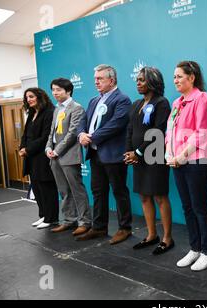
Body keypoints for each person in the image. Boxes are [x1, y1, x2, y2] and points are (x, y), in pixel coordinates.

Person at [166, 61, 207, 271]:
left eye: (179, 76)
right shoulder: (176, 102)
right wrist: (170, 152)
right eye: (174, 77)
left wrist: (181, 155)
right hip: (178, 161)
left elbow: (202, 132)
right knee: (187, 207)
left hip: (196, 161)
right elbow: (169, 130)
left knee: (199, 206)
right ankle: (195, 248)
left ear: (192, 77)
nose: (175, 80)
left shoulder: (202, 98)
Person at [76, 64, 133, 245]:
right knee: (98, 192)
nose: (96, 82)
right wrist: (81, 134)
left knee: (119, 192)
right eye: (95, 79)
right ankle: (99, 227)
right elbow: (83, 121)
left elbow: (116, 124)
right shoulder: (94, 100)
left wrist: (91, 138)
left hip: (114, 155)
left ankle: (125, 228)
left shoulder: (122, 99)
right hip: (95, 155)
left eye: (100, 79)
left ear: (112, 80)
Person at [124, 67, 174, 255]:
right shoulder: (136, 104)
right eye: (137, 79)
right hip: (138, 159)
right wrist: (129, 151)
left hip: (155, 157)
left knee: (160, 197)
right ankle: (151, 235)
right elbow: (130, 129)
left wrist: (138, 151)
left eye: (142, 80)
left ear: (152, 81)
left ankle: (167, 238)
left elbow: (159, 131)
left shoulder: (162, 103)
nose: (138, 82)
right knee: (144, 196)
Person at [45, 78, 92, 236]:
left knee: (77, 190)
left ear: (68, 91)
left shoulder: (76, 108)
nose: (55, 93)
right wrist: (48, 148)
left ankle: (85, 221)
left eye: (58, 90)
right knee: (64, 191)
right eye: (53, 90)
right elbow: (52, 132)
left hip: (69, 156)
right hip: (55, 157)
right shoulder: (57, 109)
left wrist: (56, 150)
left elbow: (72, 134)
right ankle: (68, 220)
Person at [20, 88, 59, 229]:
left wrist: (28, 149)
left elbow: (45, 137)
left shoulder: (49, 112)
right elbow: (25, 134)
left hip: (42, 156)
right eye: (27, 97)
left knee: (47, 187)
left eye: (31, 96)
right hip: (31, 157)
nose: (29, 99)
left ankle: (52, 218)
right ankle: (43, 215)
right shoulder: (31, 113)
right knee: (36, 186)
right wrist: (22, 147)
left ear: (39, 97)